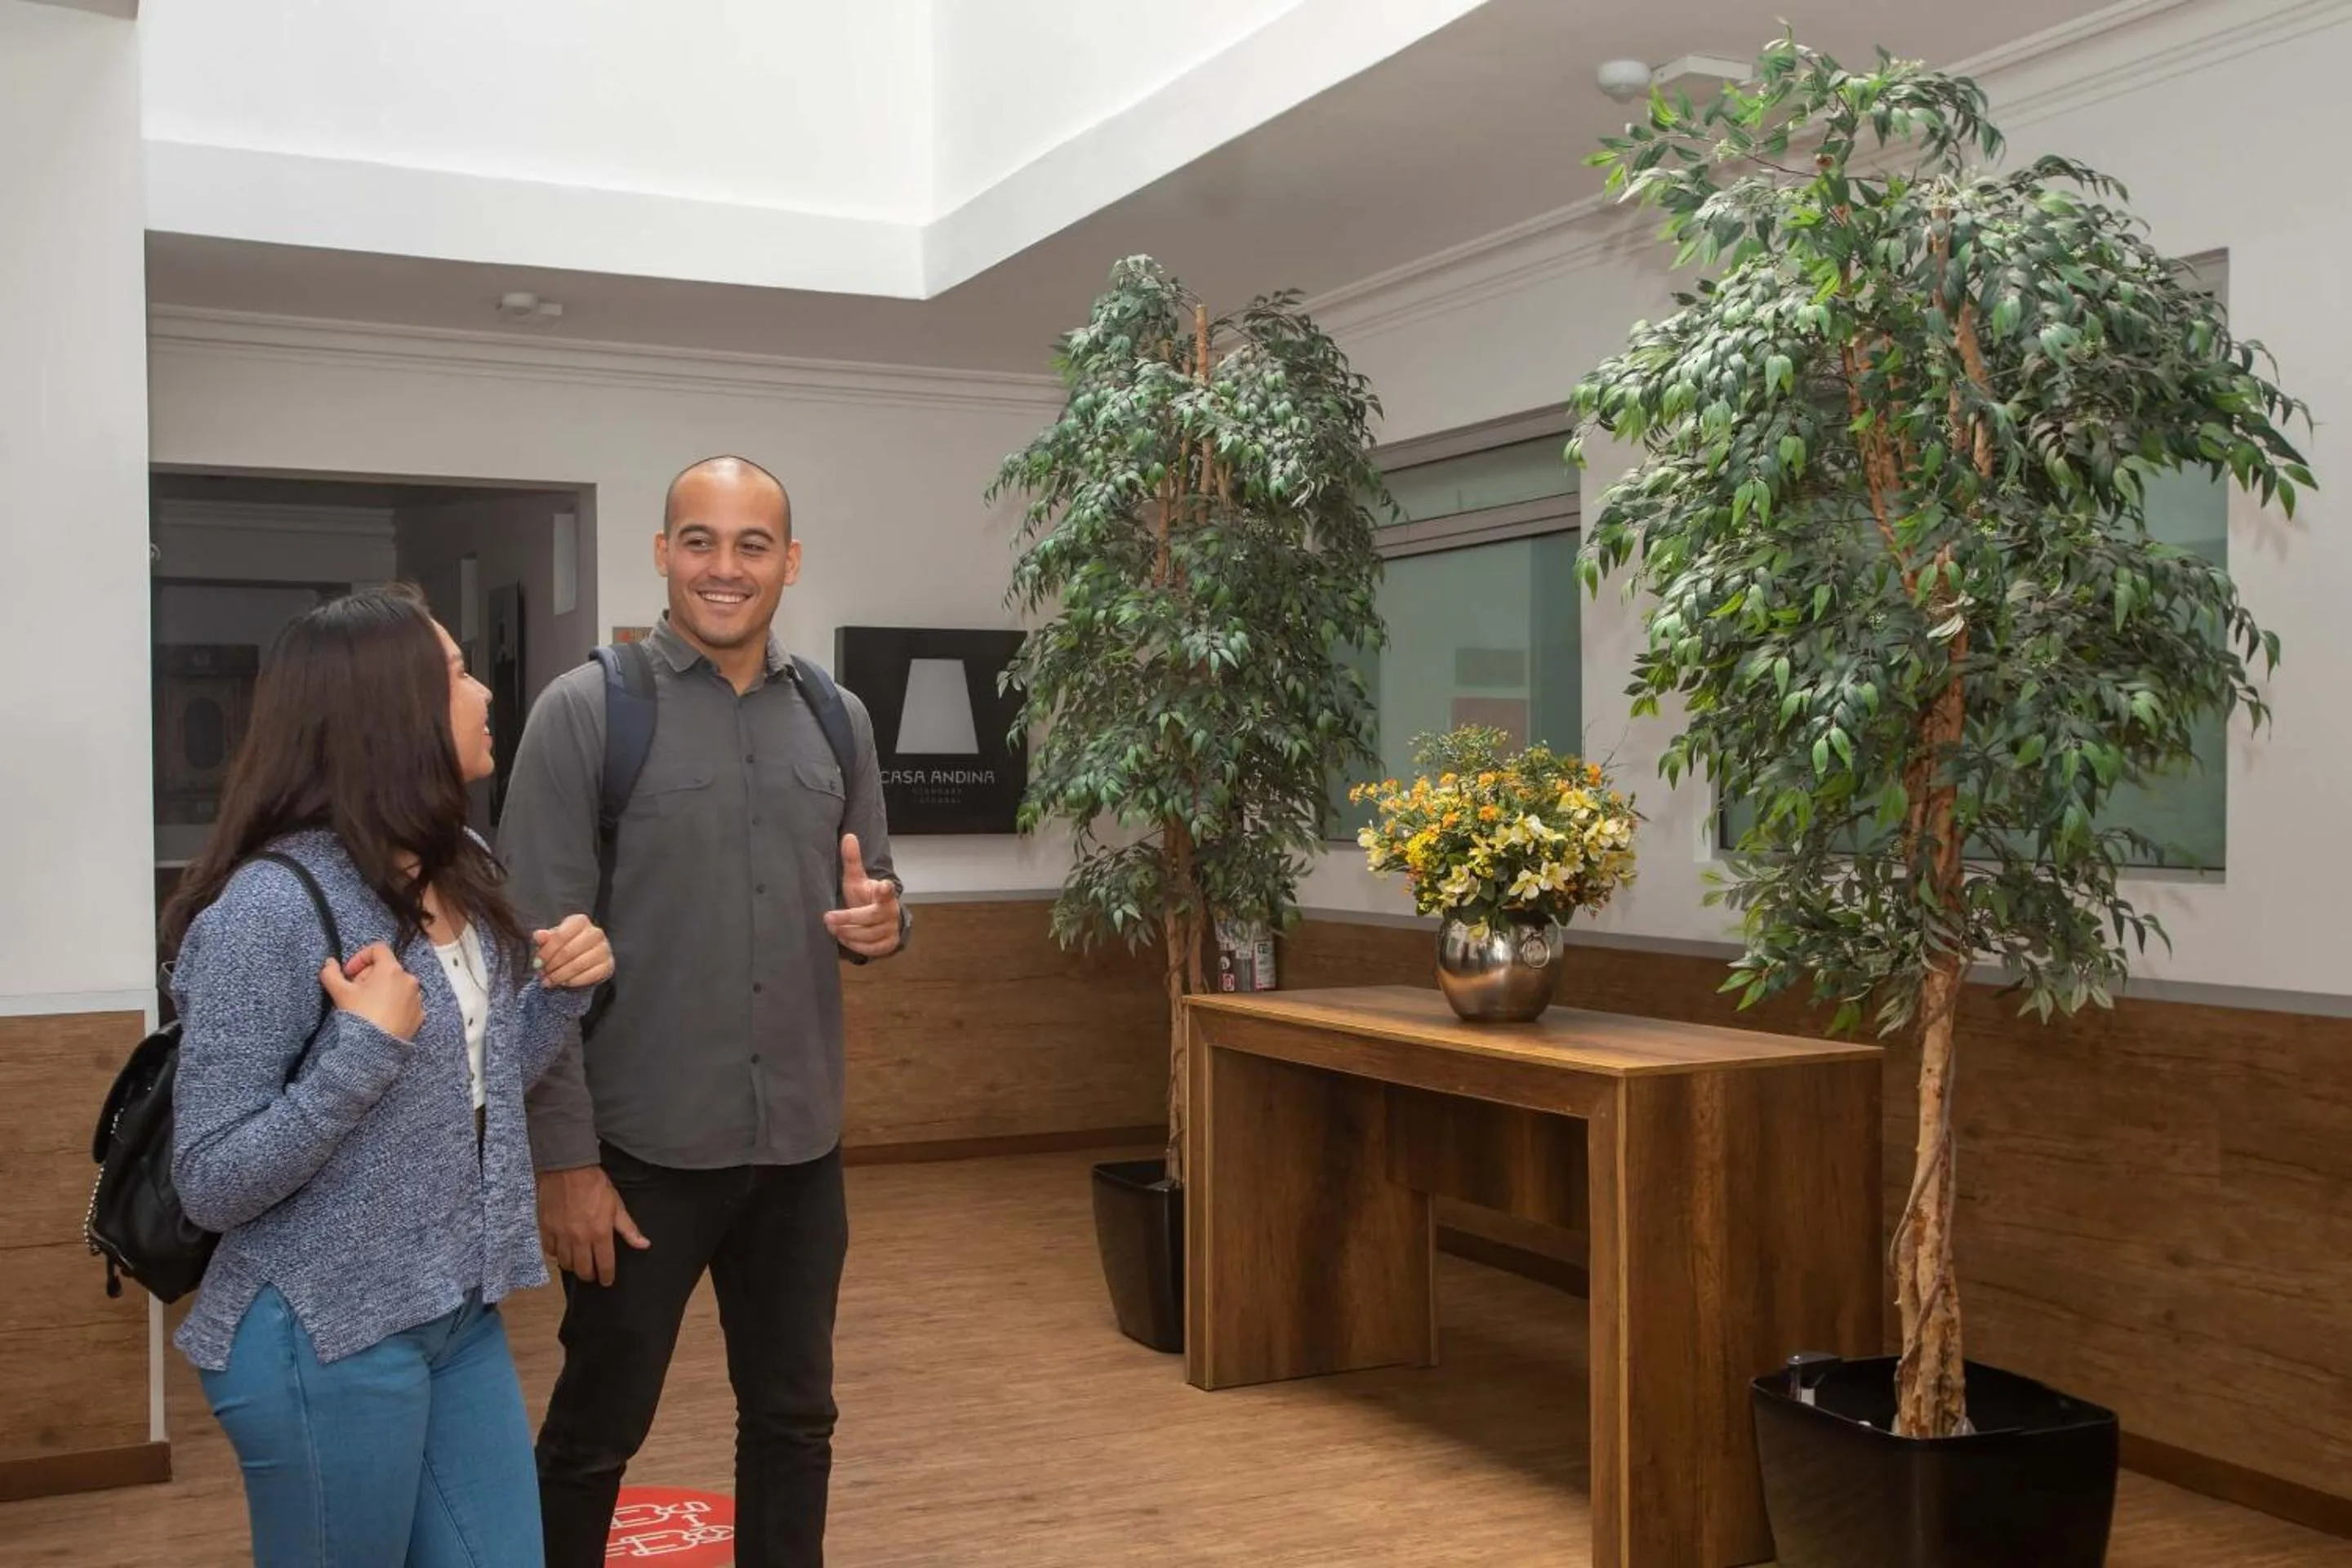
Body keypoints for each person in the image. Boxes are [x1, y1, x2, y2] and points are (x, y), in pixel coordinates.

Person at [499, 455, 908, 1568]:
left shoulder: (838, 718)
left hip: (798, 1154)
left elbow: (873, 884)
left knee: (794, 1421)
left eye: (752, 545)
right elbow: (532, 961)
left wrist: (887, 924)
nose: (724, 569)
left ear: (790, 562)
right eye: (699, 541)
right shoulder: (589, 713)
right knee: (597, 1433)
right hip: (638, 1162)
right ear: (662, 550)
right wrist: (565, 1164)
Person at [164, 586, 616, 1566]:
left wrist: (562, 994)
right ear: (390, 712)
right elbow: (206, 1180)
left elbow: (478, 1091)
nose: (486, 690)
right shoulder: (267, 911)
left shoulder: (464, 866)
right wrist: (359, 1056)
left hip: (457, 1314)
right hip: (319, 1336)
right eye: (455, 674)